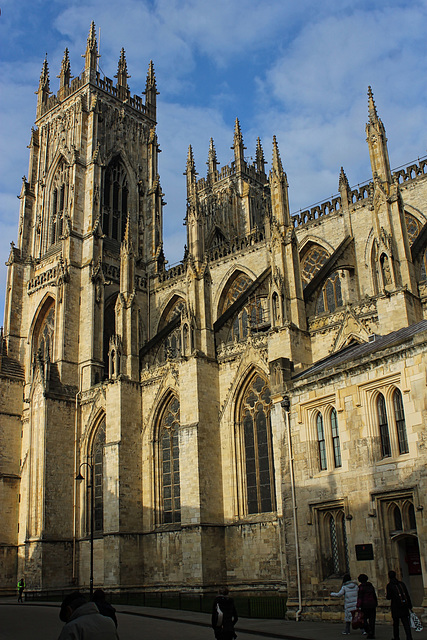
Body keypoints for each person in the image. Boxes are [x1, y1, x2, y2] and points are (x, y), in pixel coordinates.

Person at [386, 570, 413, 640]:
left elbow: (388, 597)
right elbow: (407, 595)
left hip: (395, 606)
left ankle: (396, 637)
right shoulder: (401, 584)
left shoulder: (389, 585)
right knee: (406, 623)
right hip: (404, 606)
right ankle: (409, 637)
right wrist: (409, 605)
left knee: (396, 623)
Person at [356, 574, 378, 639]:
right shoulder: (371, 586)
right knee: (372, 620)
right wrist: (375, 603)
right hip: (372, 605)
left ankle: (369, 631)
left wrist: (358, 605)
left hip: (365, 605)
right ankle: (372, 633)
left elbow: (360, 597)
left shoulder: (361, 587)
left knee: (364, 620)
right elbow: (374, 595)